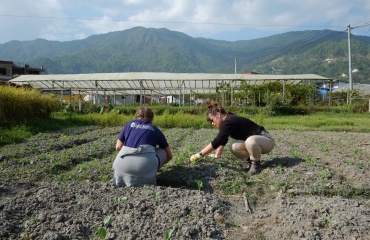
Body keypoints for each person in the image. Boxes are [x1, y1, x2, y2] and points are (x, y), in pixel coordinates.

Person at [190, 101, 274, 175]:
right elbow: (222, 140)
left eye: (212, 120)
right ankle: (252, 162)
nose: (212, 123)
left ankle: (256, 165)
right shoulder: (228, 121)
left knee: (250, 141)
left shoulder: (229, 121)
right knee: (234, 146)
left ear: (218, 114)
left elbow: (217, 141)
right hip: (255, 143)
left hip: (266, 140)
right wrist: (217, 155)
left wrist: (199, 155)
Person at [112, 107, 173, 187]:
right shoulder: (155, 130)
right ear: (151, 118)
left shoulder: (129, 124)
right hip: (144, 167)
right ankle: (146, 173)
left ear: (137, 116)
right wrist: (154, 166)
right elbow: (169, 156)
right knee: (163, 151)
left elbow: (118, 147)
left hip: (120, 167)